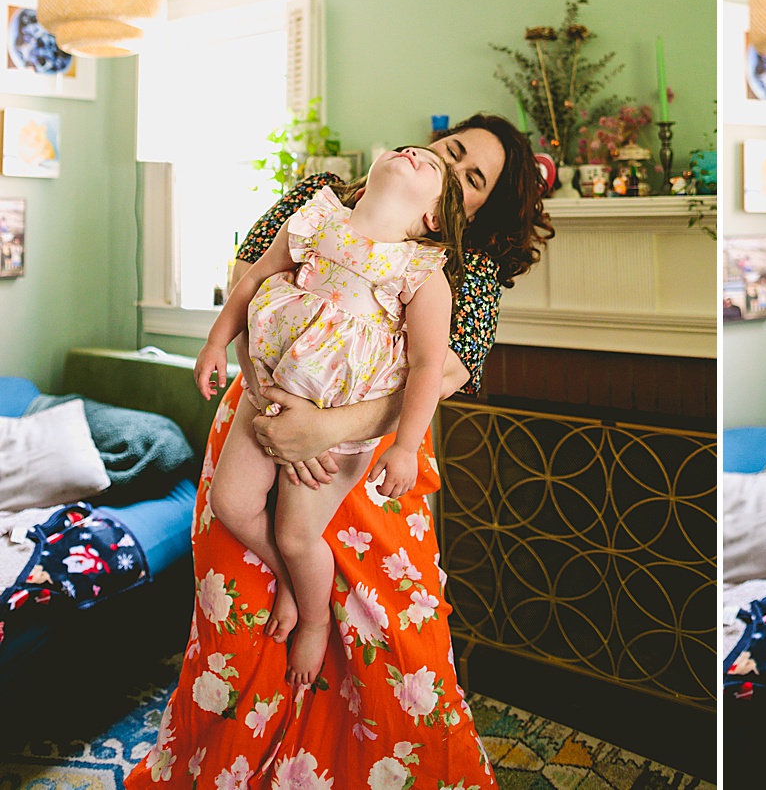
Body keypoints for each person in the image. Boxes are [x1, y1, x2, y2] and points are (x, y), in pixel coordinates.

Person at [127, 112, 551, 790]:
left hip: (365, 462)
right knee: (236, 637)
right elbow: (256, 281)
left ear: (469, 211)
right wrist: (268, 396)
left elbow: (436, 376)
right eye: (453, 149)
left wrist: (323, 429)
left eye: (473, 177)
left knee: (395, 656)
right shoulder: (319, 199)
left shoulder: (460, 276)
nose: (448, 164)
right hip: (257, 418)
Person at [194, 145, 467, 686]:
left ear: (432, 216)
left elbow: (428, 367)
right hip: (265, 400)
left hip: (339, 434)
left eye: (431, 165)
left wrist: (406, 447)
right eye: (409, 149)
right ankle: (292, 582)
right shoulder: (316, 221)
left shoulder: (421, 273)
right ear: (365, 183)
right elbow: (249, 283)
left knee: (299, 535)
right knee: (230, 502)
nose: (415, 152)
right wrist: (214, 344)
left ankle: (313, 621)